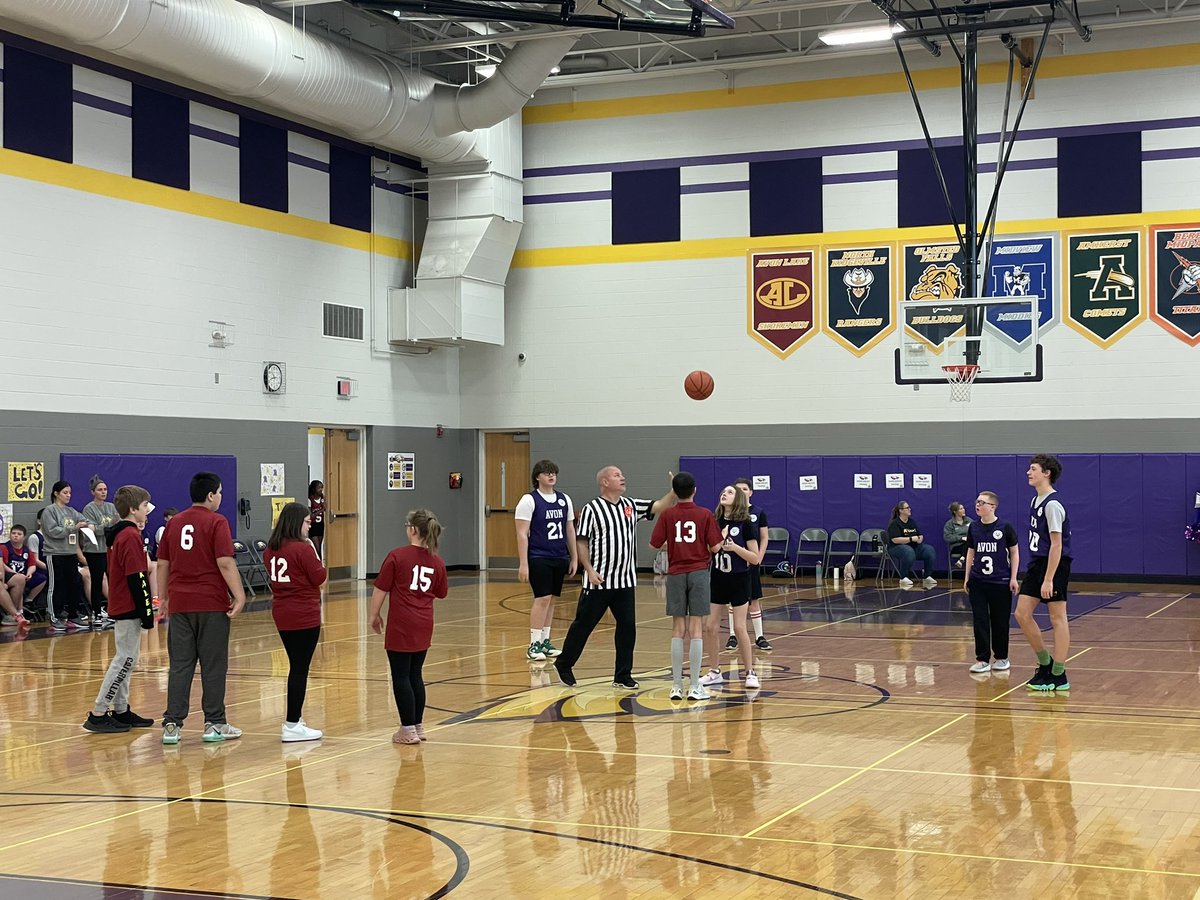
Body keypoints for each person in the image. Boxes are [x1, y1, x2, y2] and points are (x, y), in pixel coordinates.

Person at [553, 467, 676, 691]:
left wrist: (674, 491)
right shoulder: (592, 509)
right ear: (604, 482)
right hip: (598, 579)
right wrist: (588, 569)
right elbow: (582, 541)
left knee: (627, 628)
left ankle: (622, 675)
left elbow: (658, 506)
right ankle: (564, 663)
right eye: (617, 475)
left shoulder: (630, 505)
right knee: (584, 625)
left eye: (622, 475)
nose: (622, 477)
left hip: (625, 581)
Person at [157, 471, 247, 744]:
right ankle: (215, 724)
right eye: (219, 492)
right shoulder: (217, 522)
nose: (220, 497)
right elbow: (225, 562)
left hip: (181, 604)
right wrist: (240, 595)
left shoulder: (174, 523)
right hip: (210, 603)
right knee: (213, 666)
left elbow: (163, 564)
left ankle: (172, 725)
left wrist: (163, 599)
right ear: (211, 495)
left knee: (180, 666)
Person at [369, 509, 448, 745]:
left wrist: (374, 615)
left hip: (402, 622)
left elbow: (380, 589)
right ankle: (418, 725)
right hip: (424, 622)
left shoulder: (397, 556)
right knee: (415, 674)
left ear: (413, 529)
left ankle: (407, 729)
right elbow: (441, 593)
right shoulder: (437, 561)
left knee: (401, 675)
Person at [82, 485, 157, 733]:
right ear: (134, 509)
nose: (148, 511)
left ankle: (121, 709)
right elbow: (137, 577)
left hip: (123, 603)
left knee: (129, 658)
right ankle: (98, 712)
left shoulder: (121, 534)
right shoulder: (130, 536)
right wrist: (147, 611)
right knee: (124, 660)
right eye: (145, 506)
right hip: (128, 605)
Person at [650, 472, 723, 701]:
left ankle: (675, 686)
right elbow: (716, 547)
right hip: (699, 572)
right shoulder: (705, 514)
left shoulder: (667, 515)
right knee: (696, 629)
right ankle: (694, 686)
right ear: (695, 490)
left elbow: (654, 545)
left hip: (675, 573)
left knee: (677, 629)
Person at [264, 501, 328, 743]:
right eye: (307, 521)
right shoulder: (302, 549)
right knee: (299, 669)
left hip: (282, 611)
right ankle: (292, 724)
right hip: (304, 613)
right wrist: (314, 550)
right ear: (296, 522)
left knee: (296, 666)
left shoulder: (271, 548)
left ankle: (295, 721)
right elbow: (320, 578)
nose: (309, 525)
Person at [1014, 455, 1073, 692]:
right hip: (1037, 563)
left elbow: (1057, 545)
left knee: (1057, 617)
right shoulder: (1034, 501)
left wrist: (1049, 578)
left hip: (1054, 564)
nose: (1028, 472)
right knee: (1021, 613)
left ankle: (1059, 673)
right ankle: (1045, 663)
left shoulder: (1052, 504)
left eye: (1033, 469)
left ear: (1046, 473)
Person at [515, 459, 578, 662]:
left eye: (553, 472)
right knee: (541, 599)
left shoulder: (563, 499)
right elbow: (522, 534)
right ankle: (533, 644)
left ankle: (545, 641)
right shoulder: (529, 500)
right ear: (537, 477)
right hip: (538, 556)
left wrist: (574, 557)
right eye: (546, 473)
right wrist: (523, 563)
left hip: (559, 556)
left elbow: (570, 529)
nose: (551, 476)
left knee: (552, 600)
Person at [701, 486, 761, 690]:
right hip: (718, 578)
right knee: (710, 626)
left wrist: (735, 547)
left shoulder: (745, 524)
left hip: (739, 579)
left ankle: (750, 672)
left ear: (739, 499)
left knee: (739, 627)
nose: (724, 494)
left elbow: (755, 558)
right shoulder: (713, 521)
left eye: (730, 492)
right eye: (723, 491)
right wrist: (718, 540)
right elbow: (709, 551)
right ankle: (714, 671)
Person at [963, 492, 1019, 674]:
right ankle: (982, 659)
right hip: (978, 581)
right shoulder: (973, 527)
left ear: (993, 506)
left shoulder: (1005, 527)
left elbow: (1014, 553)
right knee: (980, 620)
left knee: (1000, 621)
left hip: (1000, 581)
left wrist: (1013, 577)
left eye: (982, 502)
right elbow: (970, 552)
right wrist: (967, 577)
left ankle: (1002, 657)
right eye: (976, 501)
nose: (977, 505)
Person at [727, 477, 773, 653]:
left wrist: (758, 557)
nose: (741, 492)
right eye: (737, 489)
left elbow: (764, 537)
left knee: (754, 600)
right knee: (734, 602)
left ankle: (759, 637)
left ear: (751, 492)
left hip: (750, 563)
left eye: (744, 489)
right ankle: (733, 636)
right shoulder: (728, 513)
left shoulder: (758, 512)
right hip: (733, 564)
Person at [42, 483, 91, 632]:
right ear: (56, 493)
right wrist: (73, 527)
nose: (68, 495)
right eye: (65, 492)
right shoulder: (49, 511)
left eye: (70, 492)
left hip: (70, 553)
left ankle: (73, 615)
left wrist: (84, 524)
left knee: (74, 583)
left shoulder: (71, 511)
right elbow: (53, 531)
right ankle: (54, 616)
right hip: (55, 553)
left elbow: (84, 520)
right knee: (56, 585)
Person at [82, 475, 120, 629]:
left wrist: (107, 528)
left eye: (105, 489)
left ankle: (112, 610)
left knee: (112, 580)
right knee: (97, 581)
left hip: (109, 548)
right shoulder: (89, 509)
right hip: (94, 550)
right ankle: (96, 612)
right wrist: (109, 526)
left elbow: (114, 527)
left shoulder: (111, 507)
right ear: (93, 492)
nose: (103, 492)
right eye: (100, 490)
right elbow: (93, 530)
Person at [886, 501, 937, 588]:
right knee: (908, 551)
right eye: (907, 508)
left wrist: (920, 538)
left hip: (913, 547)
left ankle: (927, 576)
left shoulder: (911, 522)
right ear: (901, 510)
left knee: (929, 550)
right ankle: (903, 577)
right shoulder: (895, 523)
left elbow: (919, 534)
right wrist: (910, 539)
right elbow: (895, 540)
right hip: (896, 547)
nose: (910, 509)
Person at [2, 525, 45, 623]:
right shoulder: (5, 547)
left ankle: (29, 601)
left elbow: (32, 565)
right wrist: (14, 573)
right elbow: (2, 565)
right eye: (13, 533)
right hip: (9, 575)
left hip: (23, 575)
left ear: (24, 537)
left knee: (42, 578)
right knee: (19, 580)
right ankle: (15, 612)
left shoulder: (26, 550)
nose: (15, 536)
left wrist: (29, 573)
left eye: (19, 534)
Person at [943, 502, 972, 569]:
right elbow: (947, 537)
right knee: (969, 546)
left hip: (969, 545)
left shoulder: (969, 521)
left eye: (963, 508)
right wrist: (961, 538)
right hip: (956, 546)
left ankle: (962, 559)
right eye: (961, 509)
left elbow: (975, 531)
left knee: (969, 544)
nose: (963, 510)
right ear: (955, 511)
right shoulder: (950, 524)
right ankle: (966, 559)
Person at [308, 481, 326, 558]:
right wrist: (322, 510)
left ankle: (321, 563)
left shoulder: (322, 498)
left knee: (320, 545)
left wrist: (324, 501)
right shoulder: (310, 500)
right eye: (319, 488)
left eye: (322, 487)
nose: (321, 490)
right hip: (313, 525)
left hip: (321, 525)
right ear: (314, 489)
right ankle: (318, 563)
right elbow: (311, 516)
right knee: (316, 548)